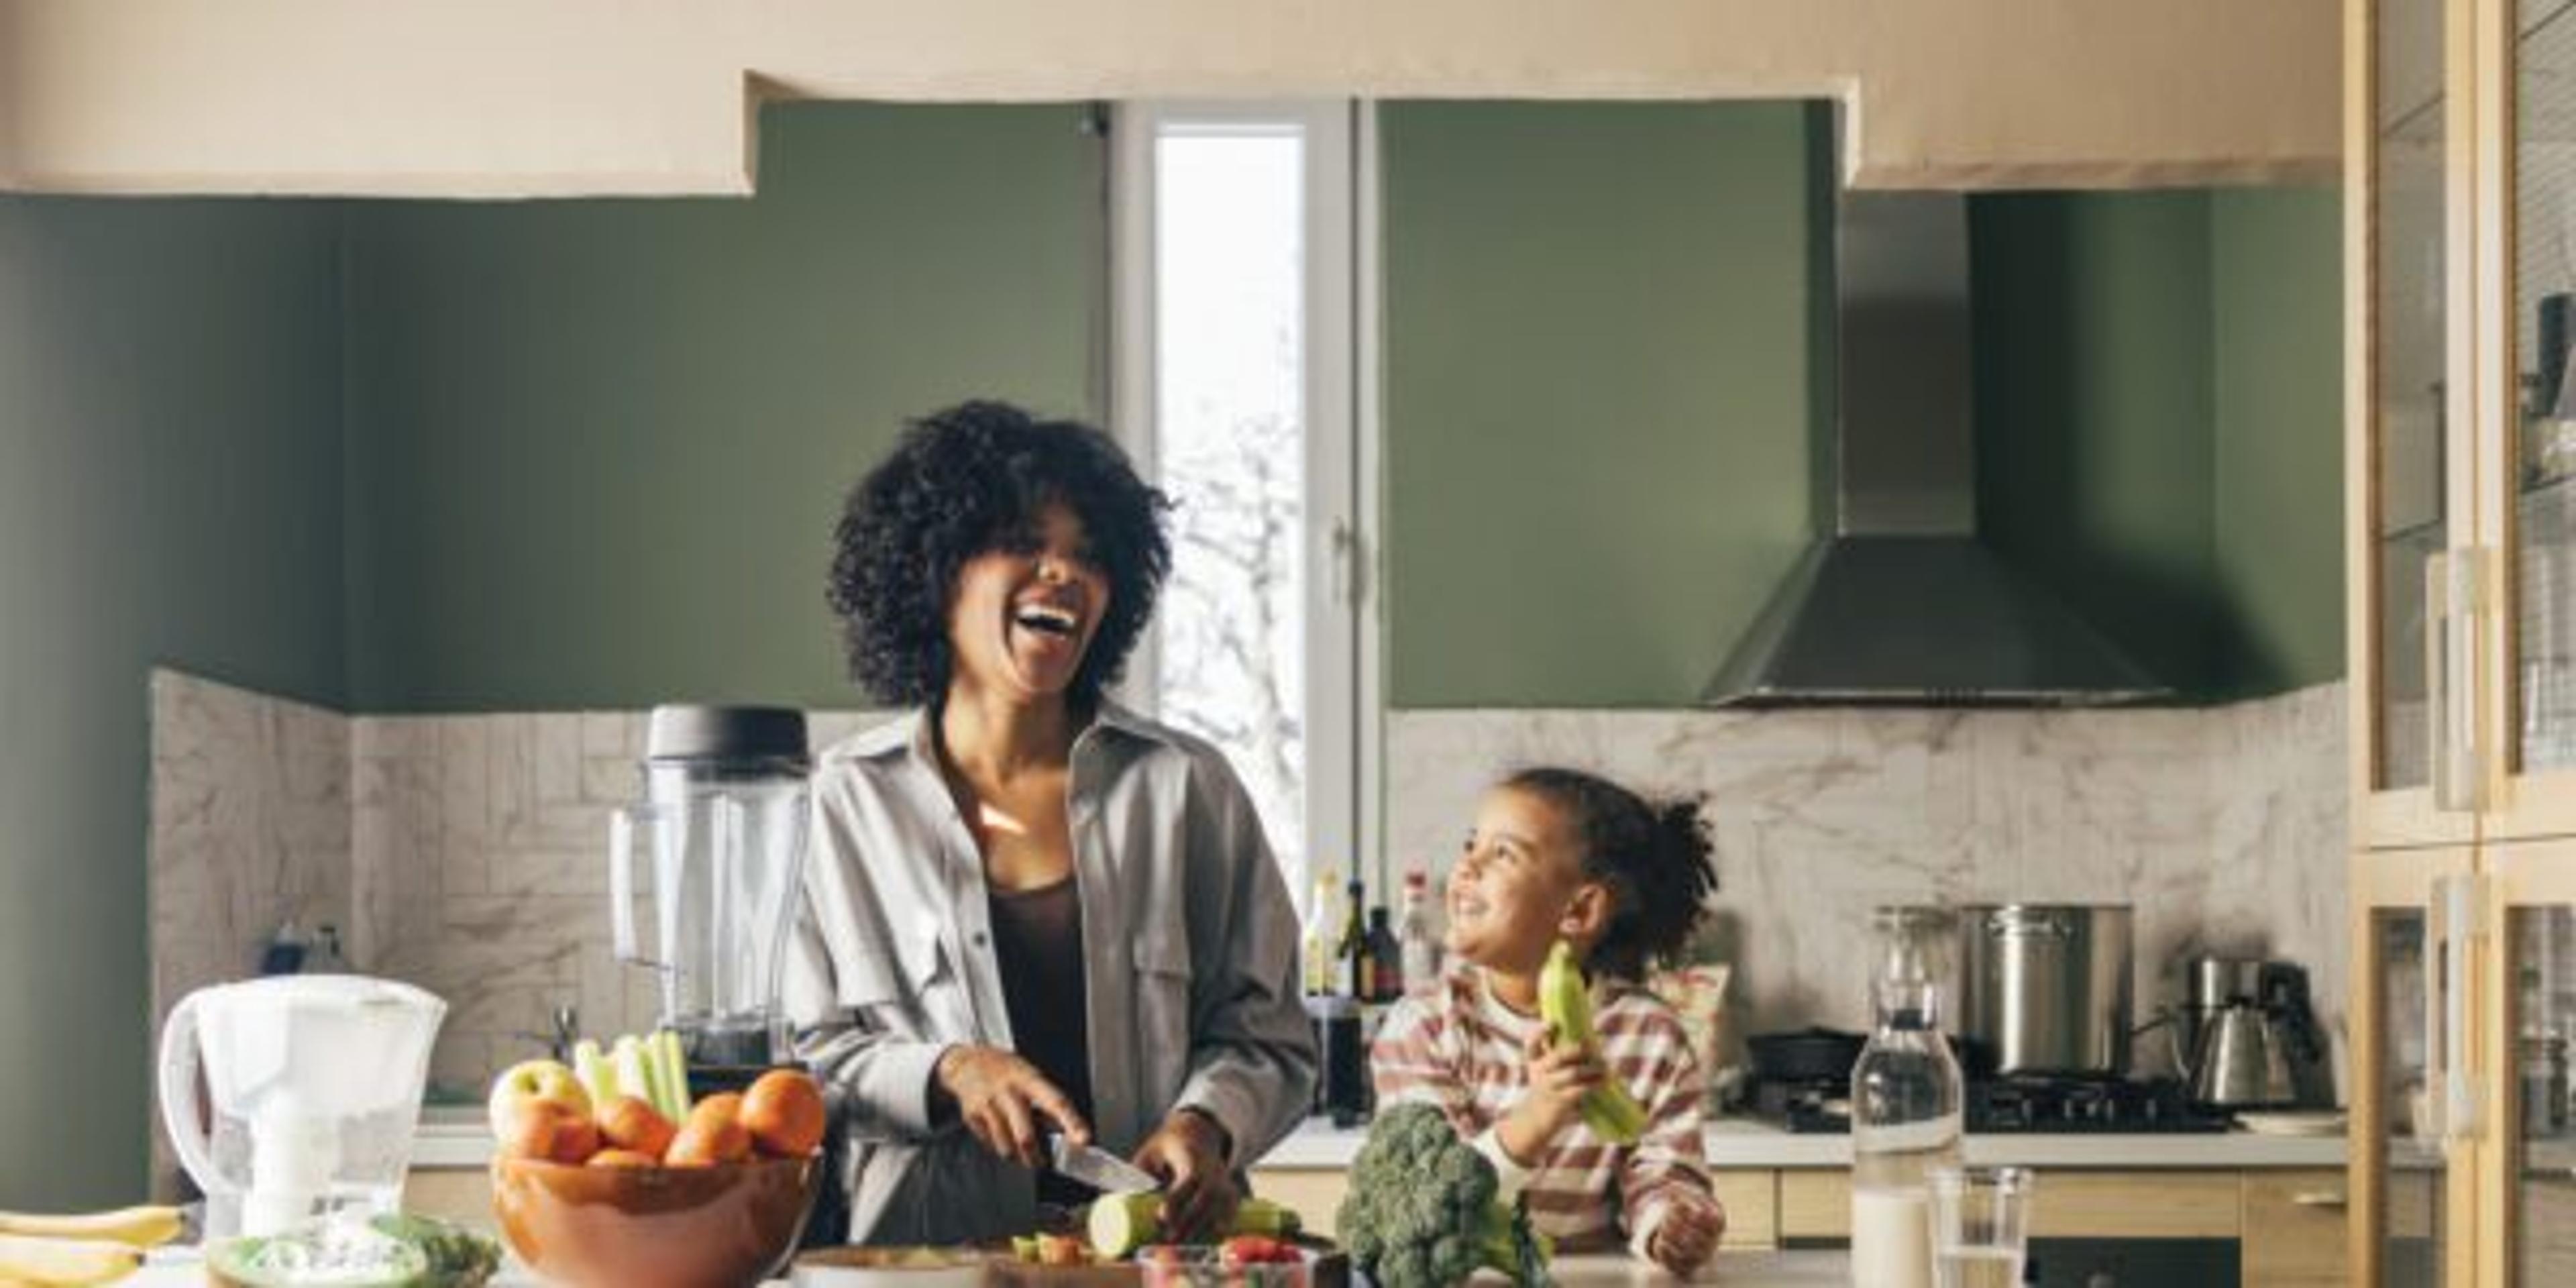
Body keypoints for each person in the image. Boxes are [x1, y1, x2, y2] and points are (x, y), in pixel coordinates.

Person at [785, 400, 1316, 1244]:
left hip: (1157, 1264)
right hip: (927, 1269)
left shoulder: (1188, 790)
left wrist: (1205, 1126)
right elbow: (802, 1063)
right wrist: (947, 1071)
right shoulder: (841, 806)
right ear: (936, 570)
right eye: (1025, 544)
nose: (1063, 573)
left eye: (1089, 555)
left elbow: (1272, 1037)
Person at [1370, 766, 1725, 1275]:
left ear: (1579, 911)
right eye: (1472, 845)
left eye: (1503, 854)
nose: (1467, 867)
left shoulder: (1649, 1037)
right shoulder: (1423, 1026)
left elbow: (1662, 1173)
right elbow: (1427, 1202)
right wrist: (1539, 1116)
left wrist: (1670, 1223)